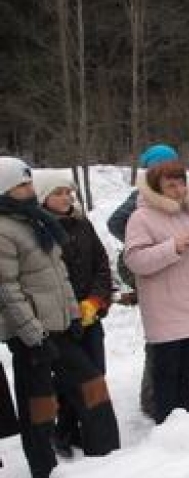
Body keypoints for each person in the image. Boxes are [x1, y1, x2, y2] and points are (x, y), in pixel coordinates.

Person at [0, 157, 119, 478]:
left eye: (29, 183)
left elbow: (59, 275)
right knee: (38, 405)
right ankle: (43, 472)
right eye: (22, 185)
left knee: (92, 386)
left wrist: (73, 315)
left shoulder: (36, 221)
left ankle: (107, 459)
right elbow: (7, 290)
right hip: (31, 335)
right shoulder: (4, 230)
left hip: (61, 326)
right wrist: (33, 336)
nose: (29, 189)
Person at [108, 143, 189, 417]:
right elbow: (136, 260)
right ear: (156, 187)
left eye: (182, 184)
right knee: (166, 376)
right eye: (171, 185)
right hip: (166, 307)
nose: (179, 190)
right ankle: (166, 428)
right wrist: (173, 247)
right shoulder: (140, 217)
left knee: (187, 374)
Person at [34, 170, 115, 456]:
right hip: (59, 318)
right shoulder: (38, 228)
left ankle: (82, 430)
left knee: (96, 372)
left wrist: (96, 300)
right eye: (58, 193)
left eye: (69, 191)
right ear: (43, 197)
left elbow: (102, 264)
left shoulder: (82, 223)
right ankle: (64, 431)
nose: (67, 197)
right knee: (72, 378)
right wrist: (70, 308)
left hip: (90, 313)